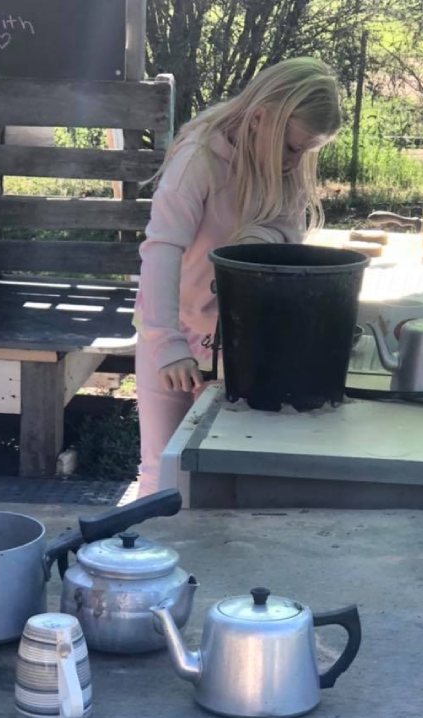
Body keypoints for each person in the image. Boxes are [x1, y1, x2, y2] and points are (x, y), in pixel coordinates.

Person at [134, 56, 342, 497]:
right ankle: (150, 562)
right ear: (261, 118)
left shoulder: (285, 170)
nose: (296, 160)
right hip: (171, 332)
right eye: (292, 147)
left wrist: (260, 237)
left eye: (307, 150)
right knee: (161, 468)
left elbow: (288, 246)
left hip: (240, 347)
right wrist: (166, 343)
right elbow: (161, 250)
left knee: (217, 470)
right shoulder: (199, 160)